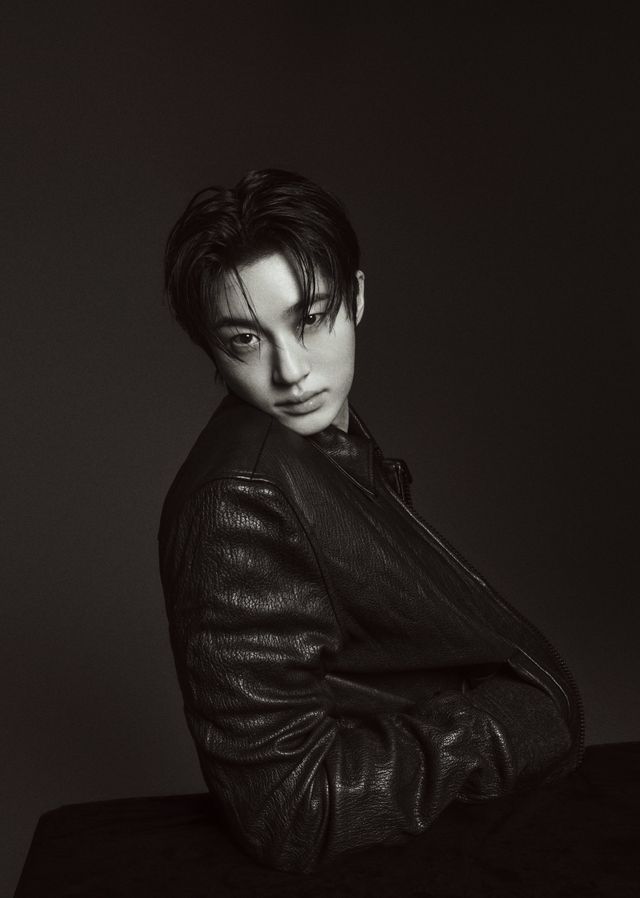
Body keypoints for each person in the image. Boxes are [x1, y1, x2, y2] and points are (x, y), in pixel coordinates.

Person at [158, 169, 584, 873]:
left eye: (310, 318)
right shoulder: (241, 497)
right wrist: (502, 724)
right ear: (212, 347)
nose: (290, 371)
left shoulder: (321, 448)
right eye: (245, 340)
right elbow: (286, 810)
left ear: (356, 297)